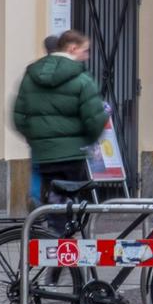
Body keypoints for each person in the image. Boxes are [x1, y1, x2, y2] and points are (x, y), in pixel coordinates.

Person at [12, 29, 107, 197]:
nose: (87, 56)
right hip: (73, 154)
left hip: (43, 155)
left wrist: (37, 139)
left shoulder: (31, 76)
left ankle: (53, 220)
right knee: (71, 203)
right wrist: (87, 141)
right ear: (72, 49)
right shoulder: (82, 79)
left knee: (51, 201)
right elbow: (94, 119)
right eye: (84, 50)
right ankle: (64, 222)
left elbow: (18, 116)